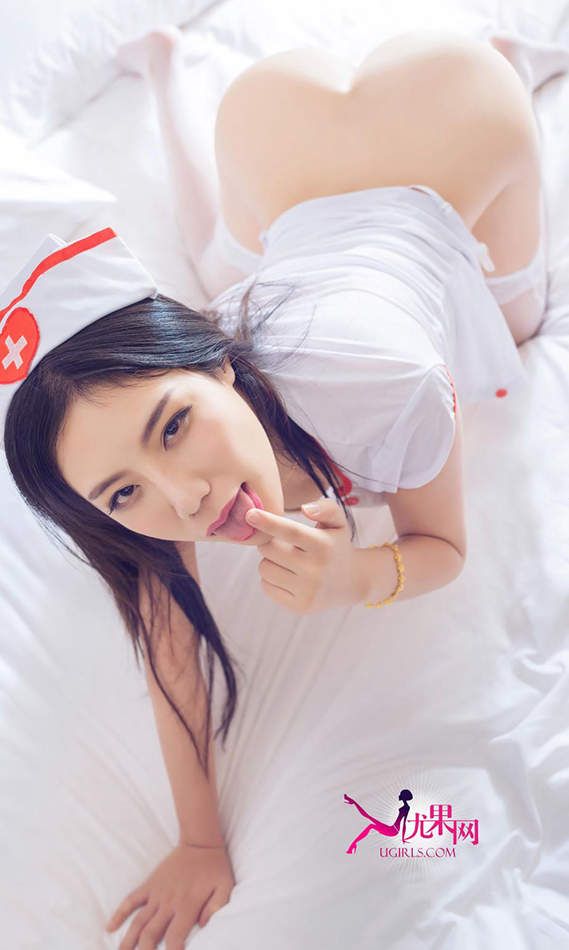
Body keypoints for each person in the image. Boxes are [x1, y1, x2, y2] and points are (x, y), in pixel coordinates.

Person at [1, 26, 549, 948]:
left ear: (216, 359)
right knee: (222, 265)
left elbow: (444, 549)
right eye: (122, 493)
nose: (183, 500)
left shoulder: (390, 382)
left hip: (454, 115)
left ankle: (514, 60)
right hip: (265, 122)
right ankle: (171, 64)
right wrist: (198, 842)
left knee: (519, 321)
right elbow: (170, 647)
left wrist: (358, 575)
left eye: (172, 427)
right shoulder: (164, 464)